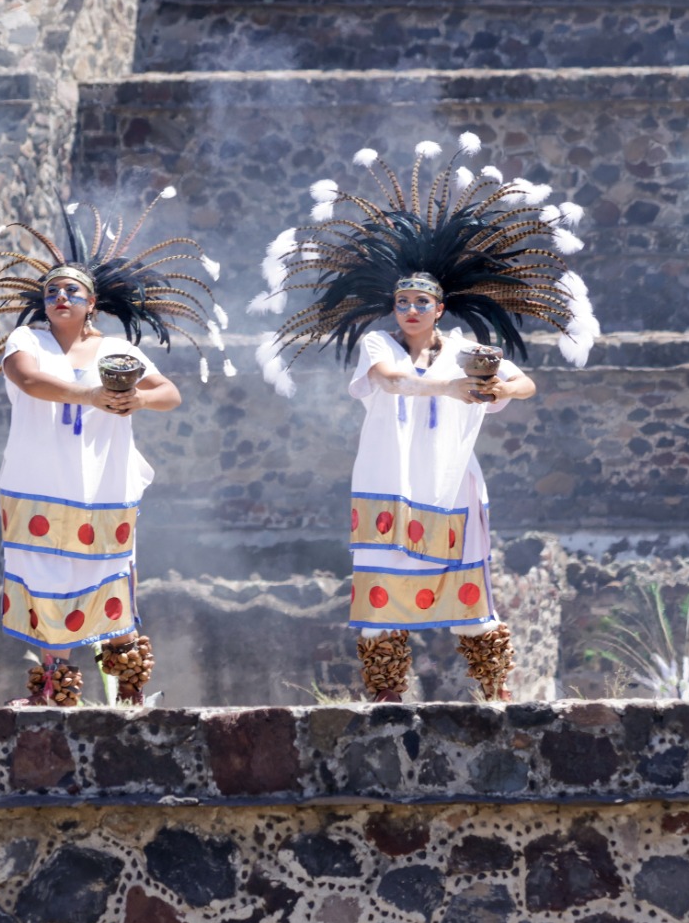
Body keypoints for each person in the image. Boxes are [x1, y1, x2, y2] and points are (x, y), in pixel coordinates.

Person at [251, 135, 598, 702]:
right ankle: (387, 698)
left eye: (420, 303)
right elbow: (392, 382)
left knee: (471, 604)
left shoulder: (467, 348)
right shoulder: (377, 345)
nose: (409, 309)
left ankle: (494, 695)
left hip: (450, 484)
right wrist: (460, 386)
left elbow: (526, 383)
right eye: (402, 302)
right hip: (389, 485)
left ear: (439, 308)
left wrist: (495, 385)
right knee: (381, 601)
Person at [0, 191, 229, 705]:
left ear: (91, 302)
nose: (60, 298)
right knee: (45, 578)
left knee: (110, 580)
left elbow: (170, 393)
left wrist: (134, 400)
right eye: (52, 291)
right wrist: (93, 395)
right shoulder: (26, 342)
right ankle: (55, 690)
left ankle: (130, 694)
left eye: (71, 291)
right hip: (39, 482)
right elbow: (28, 382)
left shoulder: (118, 349)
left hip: (104, 484)